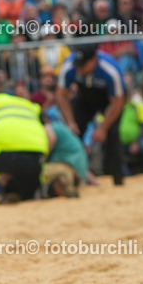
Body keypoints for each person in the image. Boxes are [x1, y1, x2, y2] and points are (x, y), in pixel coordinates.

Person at [56, 43, 126, 185]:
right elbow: (61, 95)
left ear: (94, 60)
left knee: (112, 133)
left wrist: (103, 128)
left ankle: (117, 178)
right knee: (73, 133)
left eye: (83, 65)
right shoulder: (69, 66)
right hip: (84, 96)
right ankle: (75, 176)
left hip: (110, 100)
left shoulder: (110, 70)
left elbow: (117, 103)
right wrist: (70, 122)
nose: (79, 69)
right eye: (78, 65)